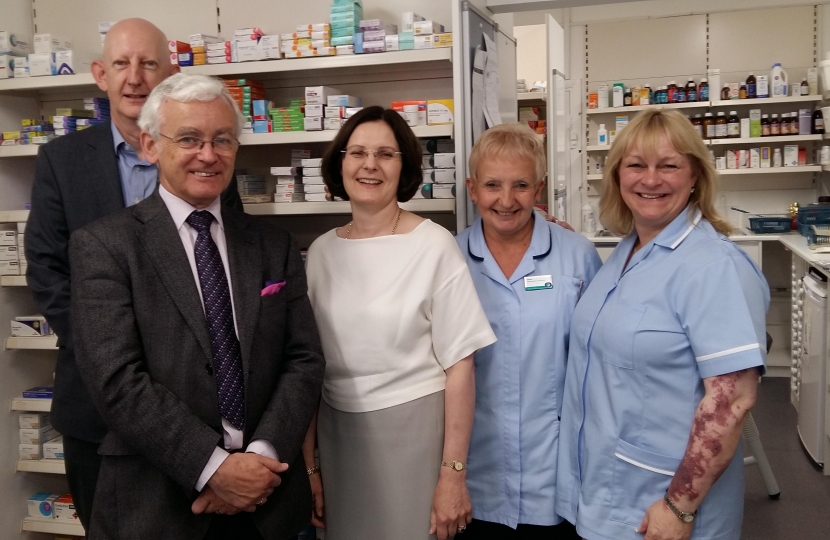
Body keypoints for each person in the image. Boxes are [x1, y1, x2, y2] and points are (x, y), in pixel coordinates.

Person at [68, 73, 324, 539]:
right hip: (157, 504)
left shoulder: (273, 246)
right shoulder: (105, 245)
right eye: (189, 138)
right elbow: (117, 381)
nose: (208, 155)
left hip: (267, 503)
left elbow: (303, 359)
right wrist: (214, 468)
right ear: (150, 146)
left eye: (222, 139)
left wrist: (260, 459)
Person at [25, 18, 242, 529]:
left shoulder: (206, 157)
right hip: (97, 409)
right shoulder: (61, 160)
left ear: (170, 71)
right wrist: (109, 354)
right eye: (121, 64)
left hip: (197, 409)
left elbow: (224, 261)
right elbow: (47, 270)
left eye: (148, 63)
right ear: (100, 74)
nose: (135, 77)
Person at [555, 108, 769, 540]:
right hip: (606, 492)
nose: (650, 180)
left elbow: (731, 402)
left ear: (695, 177)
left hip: (665, 506)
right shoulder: (627, 252)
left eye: (668, 165)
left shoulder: (713, 266)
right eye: (636, 165)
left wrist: (680, 504)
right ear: (617, 176)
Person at [302, 106, 497, 540]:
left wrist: (452, 474)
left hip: (415, 440)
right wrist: (310, 466)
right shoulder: (320, 253)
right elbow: (306, 368)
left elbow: (460, 366)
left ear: (404, 166)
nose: (369, 165)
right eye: (358, 152)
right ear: (340, 163)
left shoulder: (433, 245)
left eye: (385, 154)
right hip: (337, 440)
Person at [455, 124, 601, 539]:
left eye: (520, 185)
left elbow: (598, 361)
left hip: (554, 471)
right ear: (472, 188)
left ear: (538, 189)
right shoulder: (448, 259)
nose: (506, 200)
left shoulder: (576, 256)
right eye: (492, 185)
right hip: (474, 472)